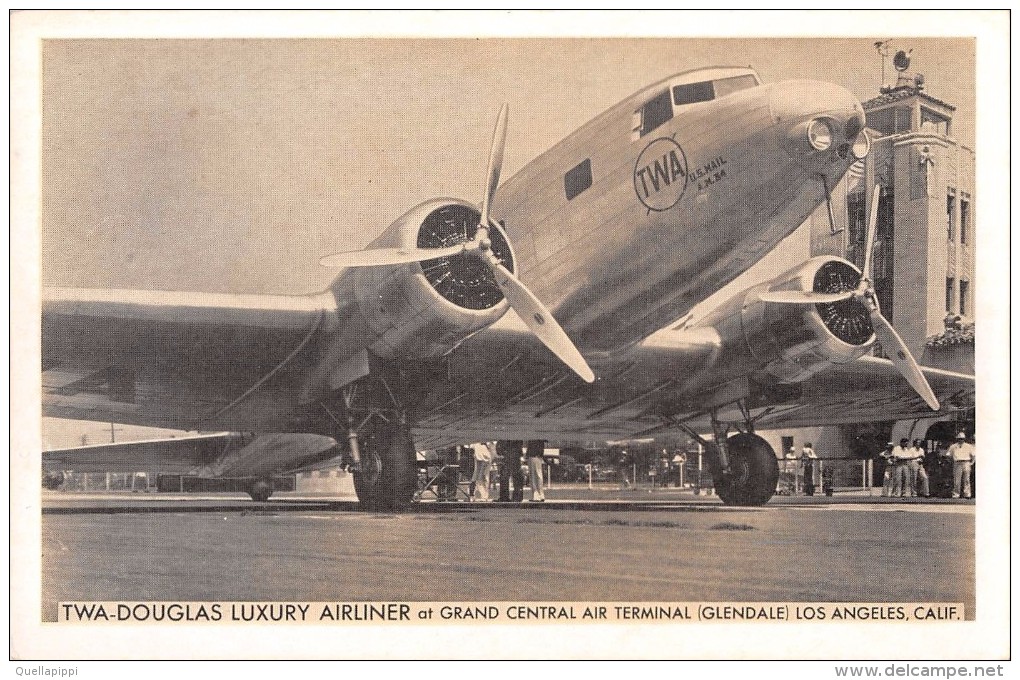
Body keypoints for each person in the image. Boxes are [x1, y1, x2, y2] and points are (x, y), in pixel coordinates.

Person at [947, 432, 975, 499]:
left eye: (962, 439)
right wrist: (952, 462)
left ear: (964, 439)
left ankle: (967, 494)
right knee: (957, 480)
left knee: (967, 479)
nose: (961, 440)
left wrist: (972, 462)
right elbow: (948, 455)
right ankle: (956, 494)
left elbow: (973, 455)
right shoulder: (953, 446)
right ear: (957, 439)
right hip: (957, 463)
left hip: (966, 462)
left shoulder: (969, 446)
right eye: (959, 439)